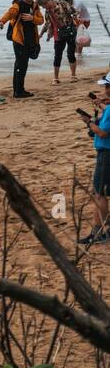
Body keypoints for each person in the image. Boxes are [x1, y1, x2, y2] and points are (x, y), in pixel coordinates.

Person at [76, 74, 110, 245]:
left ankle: (98, 232)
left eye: (107, 87)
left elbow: (103, 132)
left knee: (100, 193)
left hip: (106, 154)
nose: (105, 90)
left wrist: (89, 122)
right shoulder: (109, 108)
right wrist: (102, 105)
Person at [0, 0, 44, 98]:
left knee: (22, 65)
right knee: (21, 65)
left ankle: (19, 90)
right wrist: (2, 22)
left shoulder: (35, 6)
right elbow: (10, 13)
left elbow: (41, 20)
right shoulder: (18, 5)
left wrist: (33, 19)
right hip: (19, 40)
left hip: (30, 40)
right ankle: (18, 91)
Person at [44, 0, 80, 84]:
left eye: (44, 4)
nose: (44, 7)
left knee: (70, 53)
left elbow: (74, 12)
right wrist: (44, 34)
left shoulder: (62, 3)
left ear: (48, 1)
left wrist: (75, 19)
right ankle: (55, 78)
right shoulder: (47, 11)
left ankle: (73, 75)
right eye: (42, 6)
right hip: (58, 34)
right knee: (57, 55)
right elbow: (48, 23)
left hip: (70, 31)